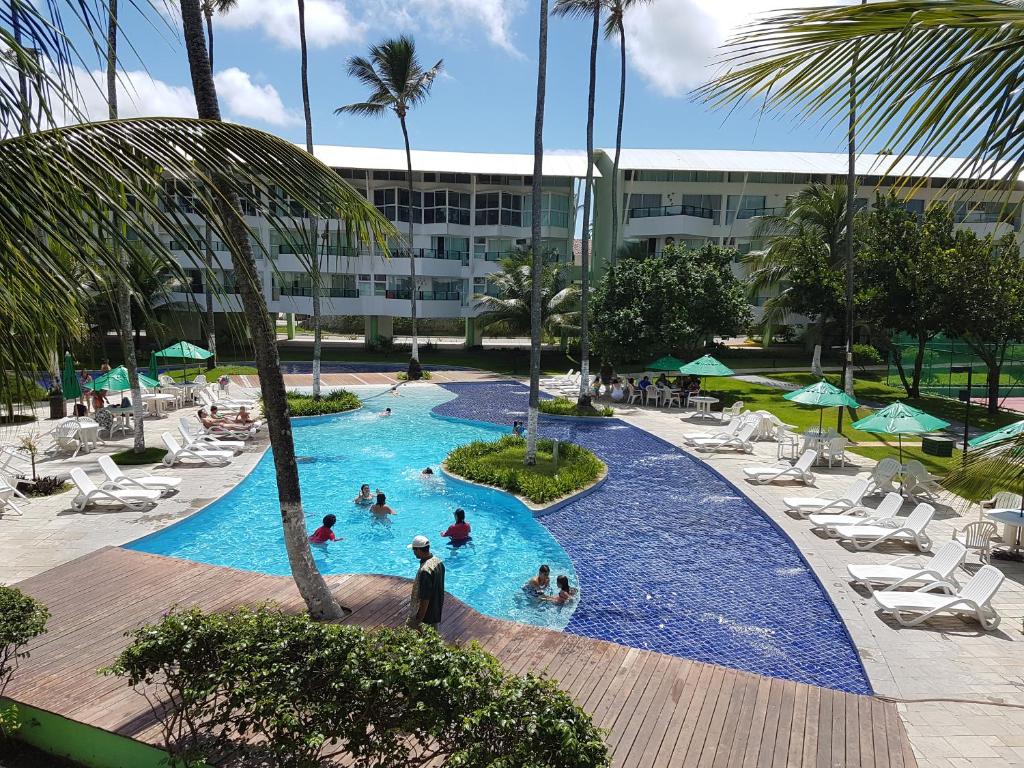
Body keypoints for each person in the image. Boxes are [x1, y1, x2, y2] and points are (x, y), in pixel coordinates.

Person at [407, 535, 445, 631]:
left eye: (414, 550)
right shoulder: (438, 561)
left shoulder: (425, 571)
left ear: (419, 550)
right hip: (436, 608)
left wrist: (419, 620)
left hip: (426, 615)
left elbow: (425, 598)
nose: (414, 553)